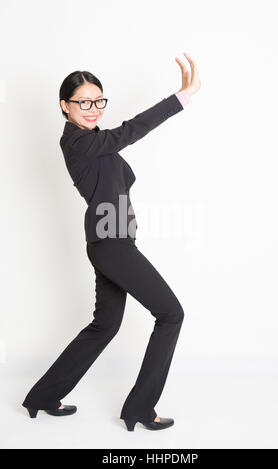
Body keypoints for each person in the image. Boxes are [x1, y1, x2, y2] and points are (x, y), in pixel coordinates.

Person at [22, 53, 201, 431]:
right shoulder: (79, 143)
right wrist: (181, 98)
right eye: (84, 102)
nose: (93, 108)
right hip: (111, 244)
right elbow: (131, 130)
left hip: (112, 242)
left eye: (98, 101)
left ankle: (42, 396)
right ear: (64, 106)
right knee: (171, 313)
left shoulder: (94, 142)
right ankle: (140, 407)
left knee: (105, 325)